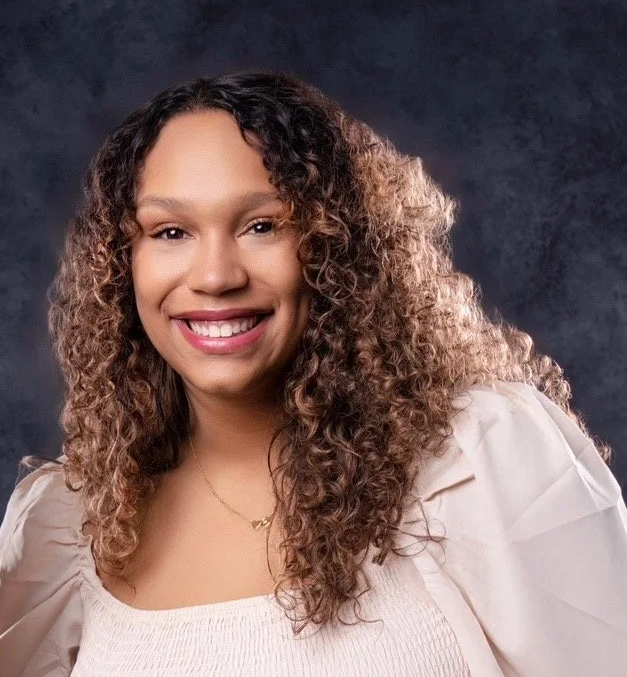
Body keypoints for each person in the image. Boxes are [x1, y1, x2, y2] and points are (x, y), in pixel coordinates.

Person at [0, 70, 625, 677]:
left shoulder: (474, 463)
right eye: (170, 231)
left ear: (335, 246)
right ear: (119, 266)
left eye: (262, 225)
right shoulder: (75, 528)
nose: (216, 276)